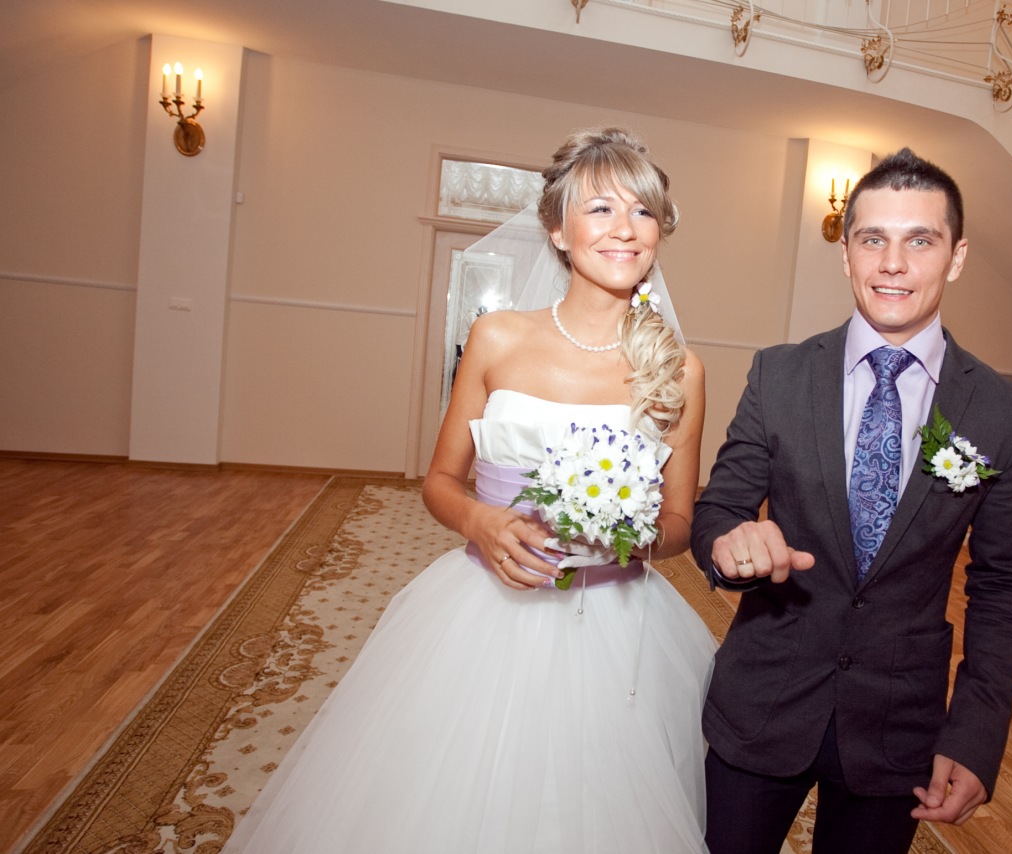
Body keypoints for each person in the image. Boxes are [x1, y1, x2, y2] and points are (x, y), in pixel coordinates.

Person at [224, 127, 716, 853]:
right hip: (487, 608)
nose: (625, 228)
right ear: (558, 229)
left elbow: (680, 521)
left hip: (617, 624)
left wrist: (633, 537)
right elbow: (440, 482)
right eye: (600, 208)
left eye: (642, 211)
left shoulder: (681, 371)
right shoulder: (496, 337)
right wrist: (481, 523)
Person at [691, 148, 1012, 854]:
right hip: (763, 703)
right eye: (873, 239)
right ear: (846, 252)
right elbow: (718, 509)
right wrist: (730, 544)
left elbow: (1004, 583)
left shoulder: (1002, 409)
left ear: (956, 257)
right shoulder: (779, 375)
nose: (893, 264)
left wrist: (976, 733)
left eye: (921, 241)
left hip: (897, 728)